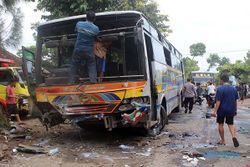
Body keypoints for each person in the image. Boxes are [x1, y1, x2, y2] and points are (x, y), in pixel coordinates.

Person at [69, 11, 100, 84]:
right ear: (94, 19)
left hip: (78, 49)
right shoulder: (96, 28)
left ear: (86, 17)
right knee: (91, 64)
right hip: (89, 50)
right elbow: (96, 38)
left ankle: (71, 82)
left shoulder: (79, 24)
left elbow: (76, 32)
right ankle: (93, 80)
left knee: (74, 64)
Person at [212, 74, 239, 147]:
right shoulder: (234, 89)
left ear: (222, 80)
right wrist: (235, 110)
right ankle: (233, 136)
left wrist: (215, 111)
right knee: (231, 124)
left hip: (222, 110)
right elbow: (235, 101)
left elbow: (218, 101)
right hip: (231, 109)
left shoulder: (220, 89)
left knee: (220, 124)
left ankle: (223, 140)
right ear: (228, 80)